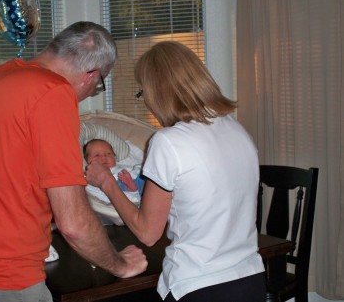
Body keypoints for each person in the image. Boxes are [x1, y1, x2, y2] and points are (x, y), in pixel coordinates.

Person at [0, 21, 147, 302]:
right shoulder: (53, 92)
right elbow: (74, 223)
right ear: (92, 76)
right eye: (97, 86)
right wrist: (121, 264)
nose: (89, 94)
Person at [86, 41, 266, 302]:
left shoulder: (169, 141)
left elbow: (148, 233)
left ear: (158, 91)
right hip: (249, 280)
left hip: (198, 285)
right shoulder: (238, 131)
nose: (146, 100)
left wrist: (107, 183)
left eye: (143, 91)